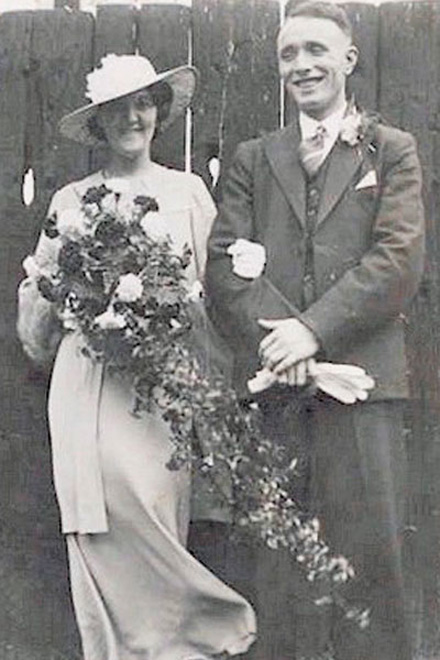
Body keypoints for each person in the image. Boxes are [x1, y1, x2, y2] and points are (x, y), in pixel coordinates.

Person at [17, 54, 256, 660]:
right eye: (116, 109)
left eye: (144, 103)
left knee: (152, 511)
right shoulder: (73, 199)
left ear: (160, 112)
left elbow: (217, 295)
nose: (132, 117)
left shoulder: (188, 193)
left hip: (162, 388)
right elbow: (37, 317)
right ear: (98, 123)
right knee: (101, 518)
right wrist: (73, 296)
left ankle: (182, 645)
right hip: (90, 384)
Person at [205, 2, 425, 659]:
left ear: (348, 60)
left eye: (316, 50)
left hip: (363, 387)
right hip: (277, 390)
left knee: (372, 568)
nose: (301, 65)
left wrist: (314, 333)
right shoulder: (253, 157)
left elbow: (397, 261)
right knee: (281, 571)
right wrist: (286, 345)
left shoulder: (390, 150)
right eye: (289, 54)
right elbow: (224, 264)